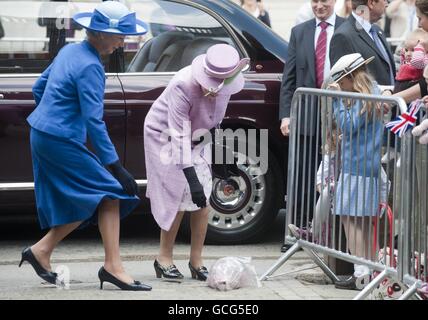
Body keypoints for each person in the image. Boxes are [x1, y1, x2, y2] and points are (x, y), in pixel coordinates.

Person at [20, 1, 151, 291]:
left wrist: (52, 116)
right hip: (60, 139)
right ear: (102, 34)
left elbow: (38, 88)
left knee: (89, 198)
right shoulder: (92, 66)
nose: (122, 44)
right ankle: (113, 267)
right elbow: (94, 121)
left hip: (42, 133)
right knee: (111, 191)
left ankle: (41, 251)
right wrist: (115, 166)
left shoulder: (69, 50)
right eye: (120, 37)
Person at [144, 44, 249, 281]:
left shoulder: (226, 85)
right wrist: (190, 178)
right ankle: (164, 259)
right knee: (177, 194)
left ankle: (196, 260)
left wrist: (222, 153)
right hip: (165, 136)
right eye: (211, 86)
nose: (214, 92)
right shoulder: (182, 85)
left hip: (197, 136)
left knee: (204, 199)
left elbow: (215, 120)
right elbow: (179, 136)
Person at [279, 0, 345, 228]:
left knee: (336, 173)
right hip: (307, 113)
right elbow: (288, 78)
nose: (319, 6)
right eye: (314, 1)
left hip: (339, 114)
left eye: (323, 1)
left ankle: (332, 231)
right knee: (304, 172)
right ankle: (299, 227)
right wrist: (286, 115)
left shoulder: (347, 29)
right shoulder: (300, 32)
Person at [327, 53, 389, 290]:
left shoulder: (362, 97)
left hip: (356, 166)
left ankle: (361, 272)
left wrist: (337, 100)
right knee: (362, 221)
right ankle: (368, 271)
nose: (341, 87)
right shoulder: (373, 91)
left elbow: (348, 125)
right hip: (368, 166)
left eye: (342, 83)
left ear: (351, 77)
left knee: (349, 219)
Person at [330, 0, 396, 86]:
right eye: (384, 0)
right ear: (371, 3)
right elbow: (344, 84)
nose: (387, 4)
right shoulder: (343, 37)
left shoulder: (377, 31)